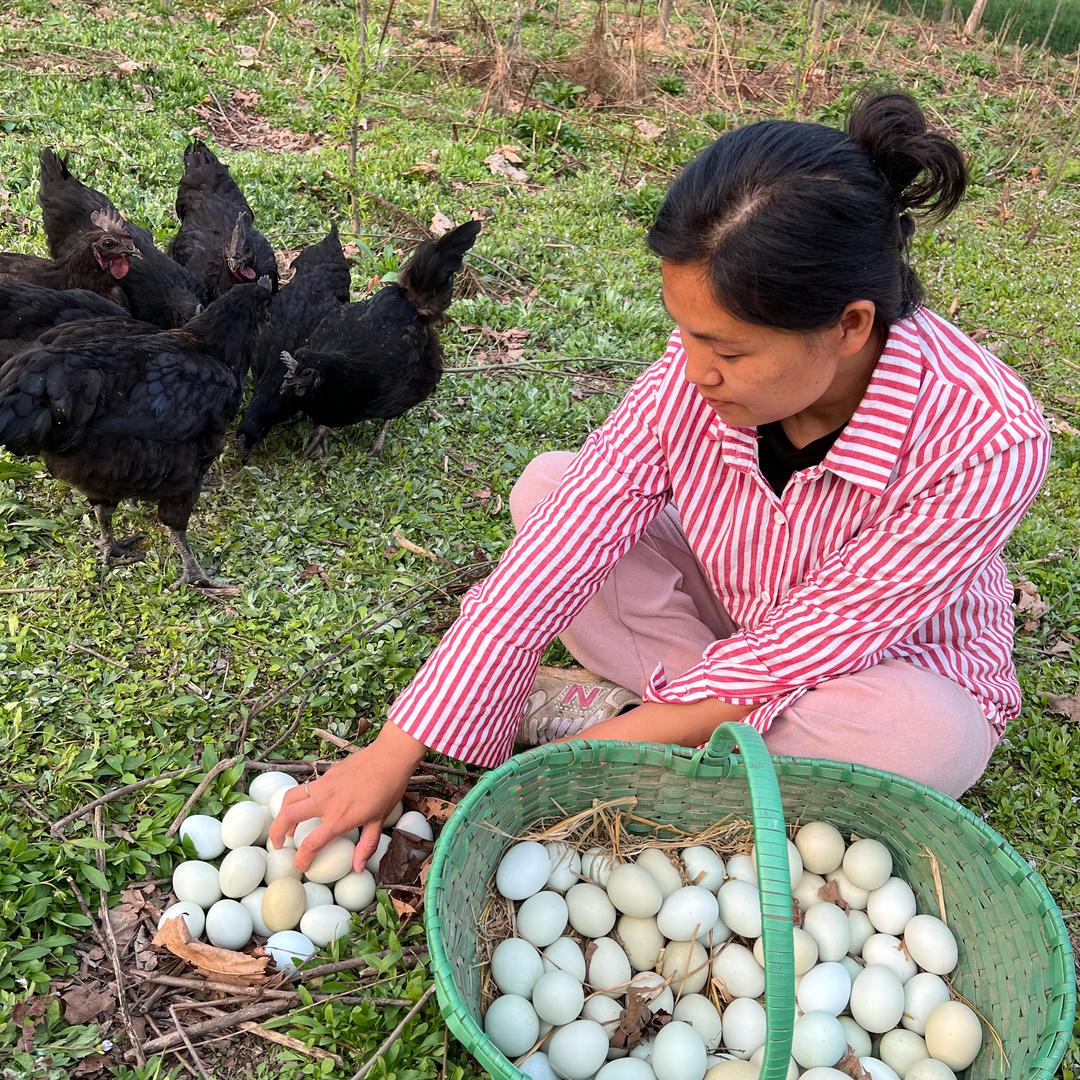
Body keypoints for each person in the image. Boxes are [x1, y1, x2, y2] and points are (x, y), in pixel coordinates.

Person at [272, 91, 1050, 875]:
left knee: (929, 740)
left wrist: (578, 765)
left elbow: (807, 647)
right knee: (549, 491)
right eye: (685, 332)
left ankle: (644, 721)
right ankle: (693, 733)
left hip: (877, 661)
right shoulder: (695, 371)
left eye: (730, 351)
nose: (695, 368)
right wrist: (395, 748)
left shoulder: (988, 439)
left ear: (849, 326)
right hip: (731, 609)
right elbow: (569, 534)